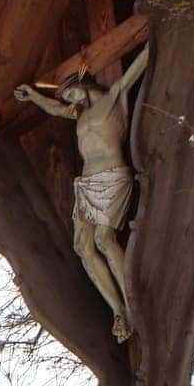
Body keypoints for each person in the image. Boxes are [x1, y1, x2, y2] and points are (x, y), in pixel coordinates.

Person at [14, 45, 151, 340]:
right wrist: (36, 96)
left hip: (112, 175)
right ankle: (119, 311)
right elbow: (54, 108)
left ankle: (133, 303)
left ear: (83, 85)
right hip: (86, 184)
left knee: (104, 238)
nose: (69, 100)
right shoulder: (81, 116)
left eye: (71, 93)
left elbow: (134, 71)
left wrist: (157, 38)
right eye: (66, 98)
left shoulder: (113, 98)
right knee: (84, 249)